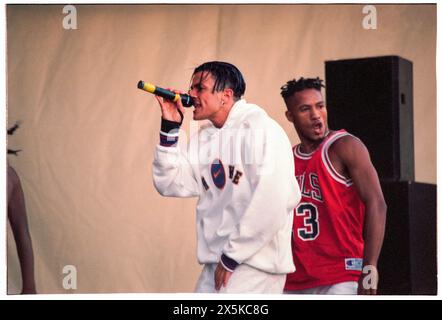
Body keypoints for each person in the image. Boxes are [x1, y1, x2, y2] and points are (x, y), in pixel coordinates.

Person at [151, 61, 301, 293]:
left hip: (254, 264)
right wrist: (170, 127)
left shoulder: (262, 130)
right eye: (191, 88)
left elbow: (274, 199)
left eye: (199, 88)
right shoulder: (205, 138)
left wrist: (233, 256)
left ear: (225, 95)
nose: (190, 94)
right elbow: (169, 183)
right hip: (219, 262)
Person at [280, 77, 386, 295]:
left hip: (342, 275)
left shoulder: (344, 145)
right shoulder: (286, 158)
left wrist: (370, 266)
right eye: (304, 109)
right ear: (290, 116)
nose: (316, 114)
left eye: (320, 106)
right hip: (294, 278)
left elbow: (377, 203)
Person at [7, 122, 37, 294]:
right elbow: (22, 233)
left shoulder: (9, 177)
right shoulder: (9, 177)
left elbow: (21, 233)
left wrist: (29, 288)